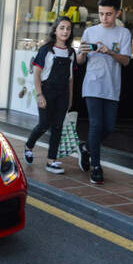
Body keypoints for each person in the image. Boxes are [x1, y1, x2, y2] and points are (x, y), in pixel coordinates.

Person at [76, 0, 132, 184]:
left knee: (109, 127)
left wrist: (109, 52)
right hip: (92, 84)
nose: (104, 18)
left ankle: (86, 149)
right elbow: (79, 60)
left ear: (117, 13)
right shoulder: (90, 32)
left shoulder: (124, 34)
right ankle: (96, 167)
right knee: (96, 124)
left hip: (112, 86)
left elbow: (125, 61)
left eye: (108, 14)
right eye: (101, 14)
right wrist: (82, 53)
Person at [23, 16, 77, 174]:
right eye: (62, 28)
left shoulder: (71, 52)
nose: (65, 31)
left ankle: (51, 161)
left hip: (63, 93)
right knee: (44, 124)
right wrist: (40, 95)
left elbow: (71, 79)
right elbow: (37, 74)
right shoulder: (46, 49)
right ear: (55, 30)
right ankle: (29, 146)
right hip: (47, 90)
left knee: (58, 126)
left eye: (68, 28)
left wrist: (70, 99)